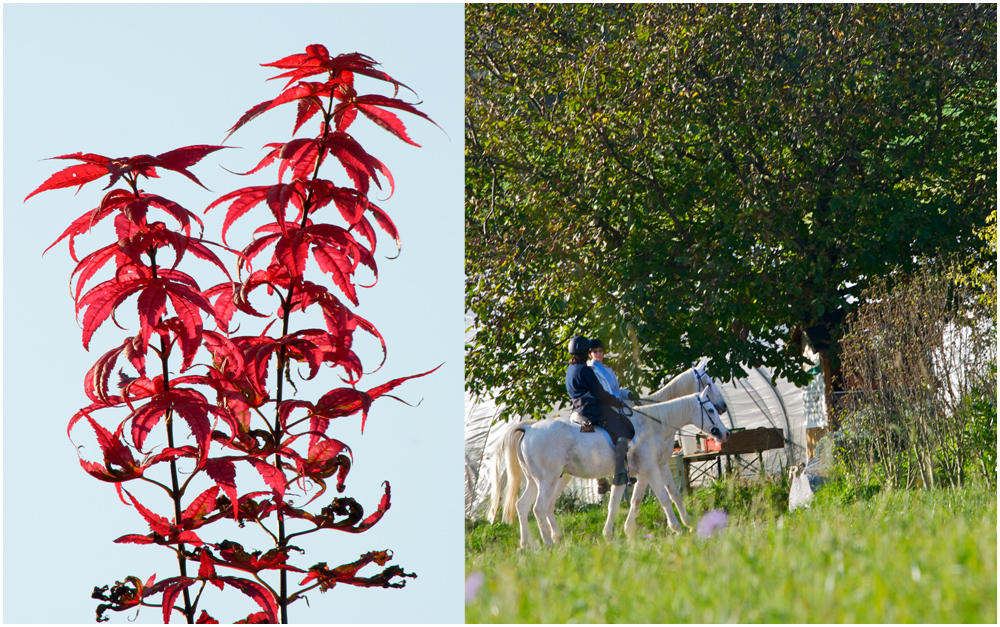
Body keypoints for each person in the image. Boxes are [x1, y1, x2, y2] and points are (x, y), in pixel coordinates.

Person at [565, 335, 635, 486]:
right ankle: (620, 473)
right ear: (585, 353)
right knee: (625, 431)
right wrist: (617, 402)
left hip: (579, 407)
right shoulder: (585, 370)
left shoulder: (570, 370)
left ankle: (603, 479)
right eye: (589, 351)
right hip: (593, 410)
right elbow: (600, 393)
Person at [587, 338, 634, 403]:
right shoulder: (590, 370)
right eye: (595, 351)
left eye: (600, 350)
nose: (599, 353)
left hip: (618, 403)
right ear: (590, 354)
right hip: (607, 405)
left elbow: (614, 390)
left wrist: (627, 393)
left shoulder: (608, 369)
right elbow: (599, 393)